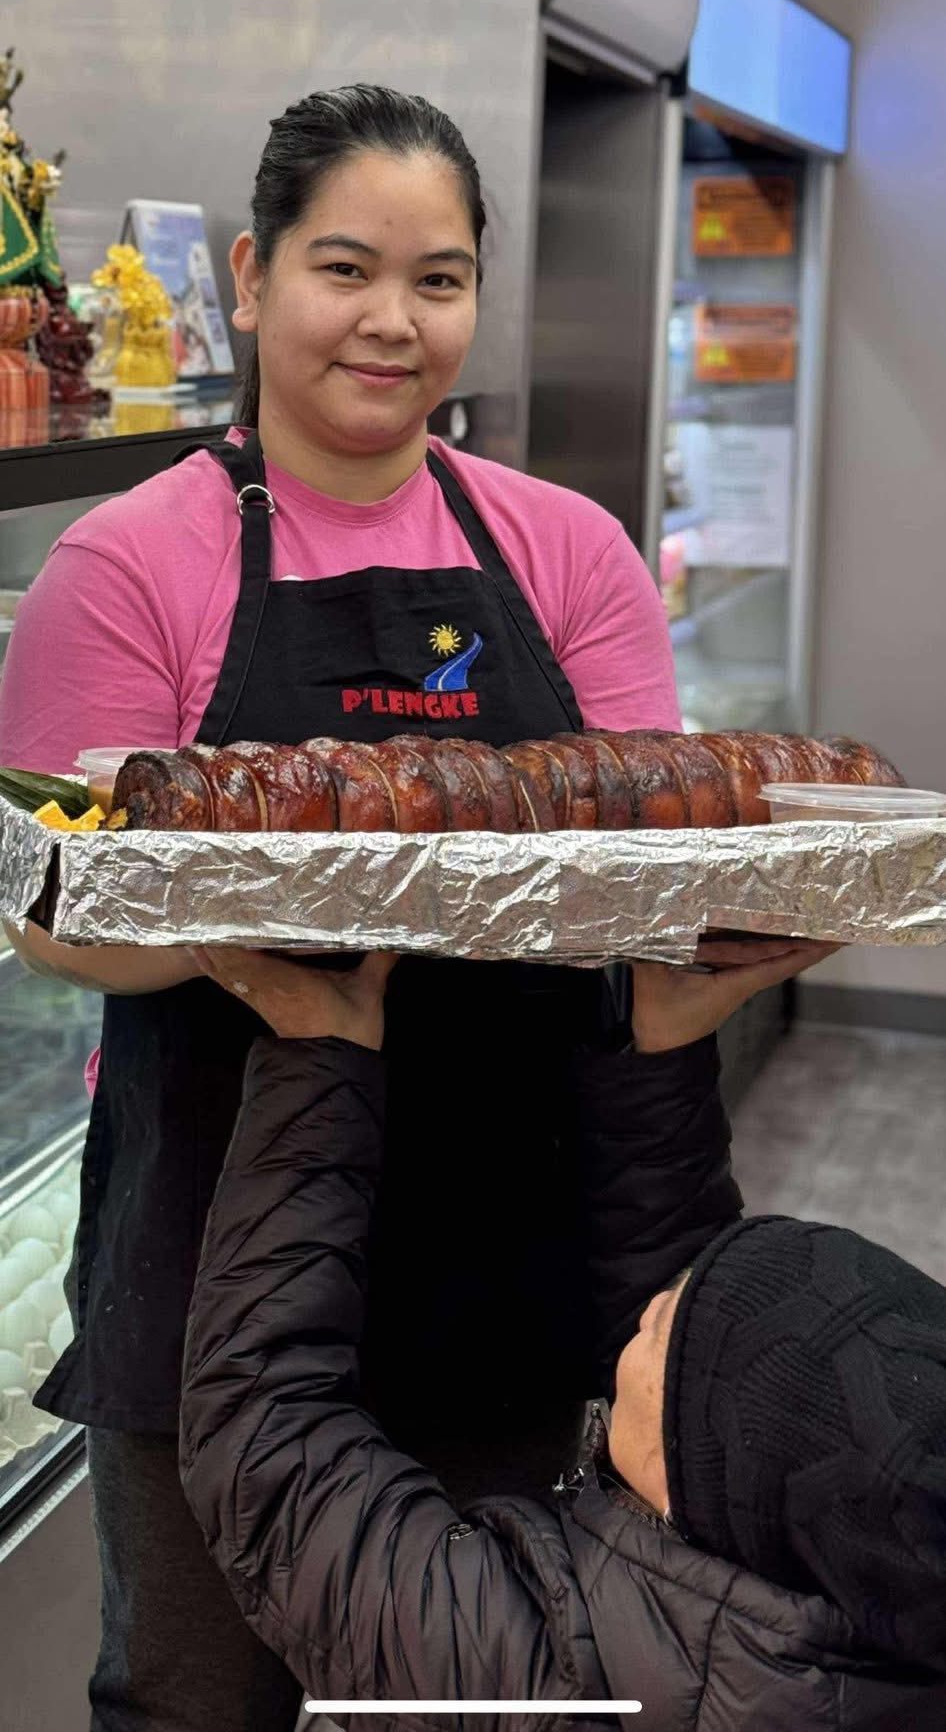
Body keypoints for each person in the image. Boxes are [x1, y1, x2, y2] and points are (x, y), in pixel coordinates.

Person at [0, 83, 828, 1730]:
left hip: (502, 1242)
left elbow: (627, 863)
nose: (391, 319)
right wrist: (242, 938)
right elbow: (51, 910)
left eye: (438, 279)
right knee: (189, 1697)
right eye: (345, 266)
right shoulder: (130, 563)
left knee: (472, 1693)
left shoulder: (564, 549)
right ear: (249, 274)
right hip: (208, 1246)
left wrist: (710, 945)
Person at [179, 945, 946, 1728]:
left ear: (683, 1488)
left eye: (672, 1343)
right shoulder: (852, 1630)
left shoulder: (537, 1686)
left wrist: (317, 1063)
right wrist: (664, 1052)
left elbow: (265, 1445)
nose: (653, 1310)